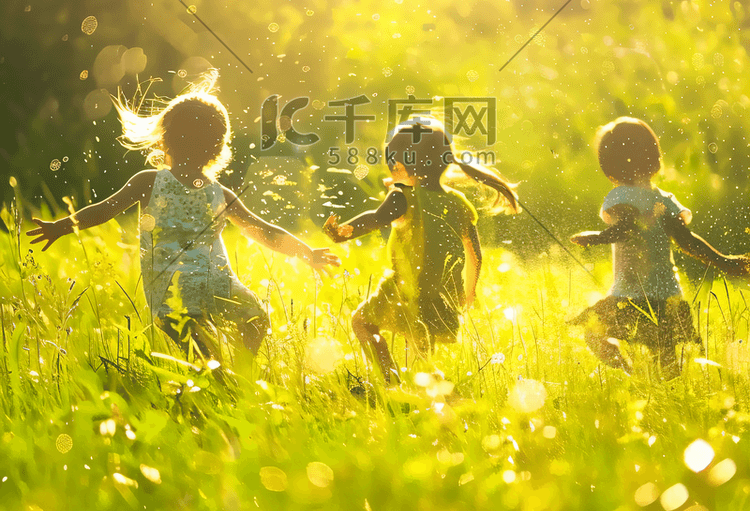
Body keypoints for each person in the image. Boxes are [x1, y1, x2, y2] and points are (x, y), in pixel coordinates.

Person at [27, 80, 339, 359]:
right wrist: (306, 253)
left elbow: (104, 209)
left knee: (236, 336)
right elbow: (263, 231)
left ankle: (238, 381)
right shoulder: (155, 183)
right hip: (175, 293)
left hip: (211, 286)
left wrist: (62, 226)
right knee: (228, 344)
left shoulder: (201, 191)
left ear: (163, 140)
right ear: (218, 149)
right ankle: (234, 384)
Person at [324, 117, 519, 383]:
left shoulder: (402, 196)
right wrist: (468, 292)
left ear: (399, 165)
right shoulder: (457, 202)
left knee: (363, 323)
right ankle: (423, 396)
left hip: (405, 286)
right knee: (419, 358)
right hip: (440, 294)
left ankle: (391, 381)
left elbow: (376, 218)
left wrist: (345, 231)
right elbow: (475, 254)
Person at [569, 116, 748, 377]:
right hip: (666, 297)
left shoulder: (620, 196)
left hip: (630, 295)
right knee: (666, 360)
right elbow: (688, 242)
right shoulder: (664, 201)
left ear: (610, 165)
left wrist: (596, 237)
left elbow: (627, 226)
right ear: (654, 157)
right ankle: (670, 397)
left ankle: (627, 372)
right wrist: (725, 261)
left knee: (592, 331)